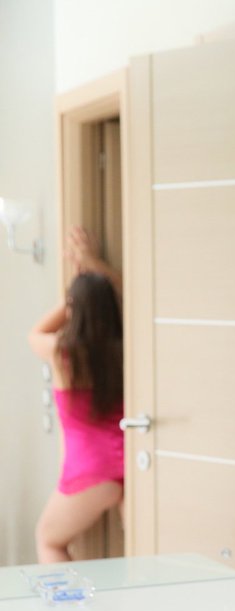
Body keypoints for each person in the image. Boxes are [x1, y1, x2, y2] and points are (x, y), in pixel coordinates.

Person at [28, 227, 124, 563]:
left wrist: (72, 298)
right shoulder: (127, 350)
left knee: (48, 541)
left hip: (90, 472)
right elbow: (135, 300)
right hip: (131, 461)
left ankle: (72, 602)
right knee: (142, 553)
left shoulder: (64, 355)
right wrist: (98, 268)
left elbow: (34, 334)